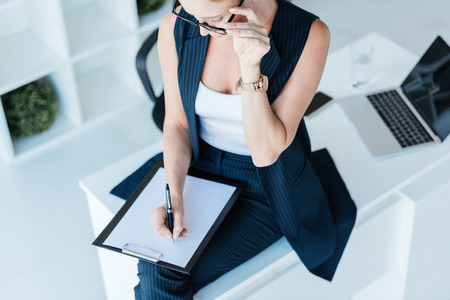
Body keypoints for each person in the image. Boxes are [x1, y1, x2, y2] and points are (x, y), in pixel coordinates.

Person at [112, 0, 357, 298]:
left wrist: (251, 69)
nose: (203, 32)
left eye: (215, 18)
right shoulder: (176, 23)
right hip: (199, 161)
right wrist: (174, 193)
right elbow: (177, 124)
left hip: (266, 183)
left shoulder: (309, 34)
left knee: (162, 274)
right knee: (158, 263)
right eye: (195, 18)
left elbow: (266, 153)